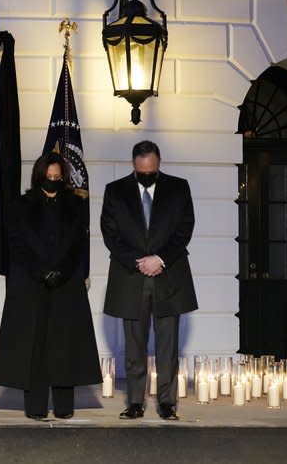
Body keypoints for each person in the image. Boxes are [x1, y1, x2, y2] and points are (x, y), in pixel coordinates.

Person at [0, 152, 101, 420]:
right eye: (48, 177)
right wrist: (41, 271)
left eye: (57, 177)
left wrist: (60, 272)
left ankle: (64, 407)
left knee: (64, 346)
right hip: (32, 285)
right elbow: (16, 244)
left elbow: (78, 245)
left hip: (65, 286)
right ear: (39, 176)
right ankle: (36, 407)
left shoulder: (75, 205)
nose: (53, 181)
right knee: (35, 347)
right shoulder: (21, 204)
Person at [101, 140, 196, 421]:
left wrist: (160, 259)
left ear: (159, 164)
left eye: (151, 170)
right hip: (131, 277)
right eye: (142, 171)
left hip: (169, 276)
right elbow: (110, 234)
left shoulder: (179, 188)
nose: (147, 175)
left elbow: (184, 229)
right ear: (134, 166)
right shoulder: (115, 191)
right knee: (134, 346)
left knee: (168, 345)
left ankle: (167, 403)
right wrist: (139, 262)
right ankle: (135, 402)